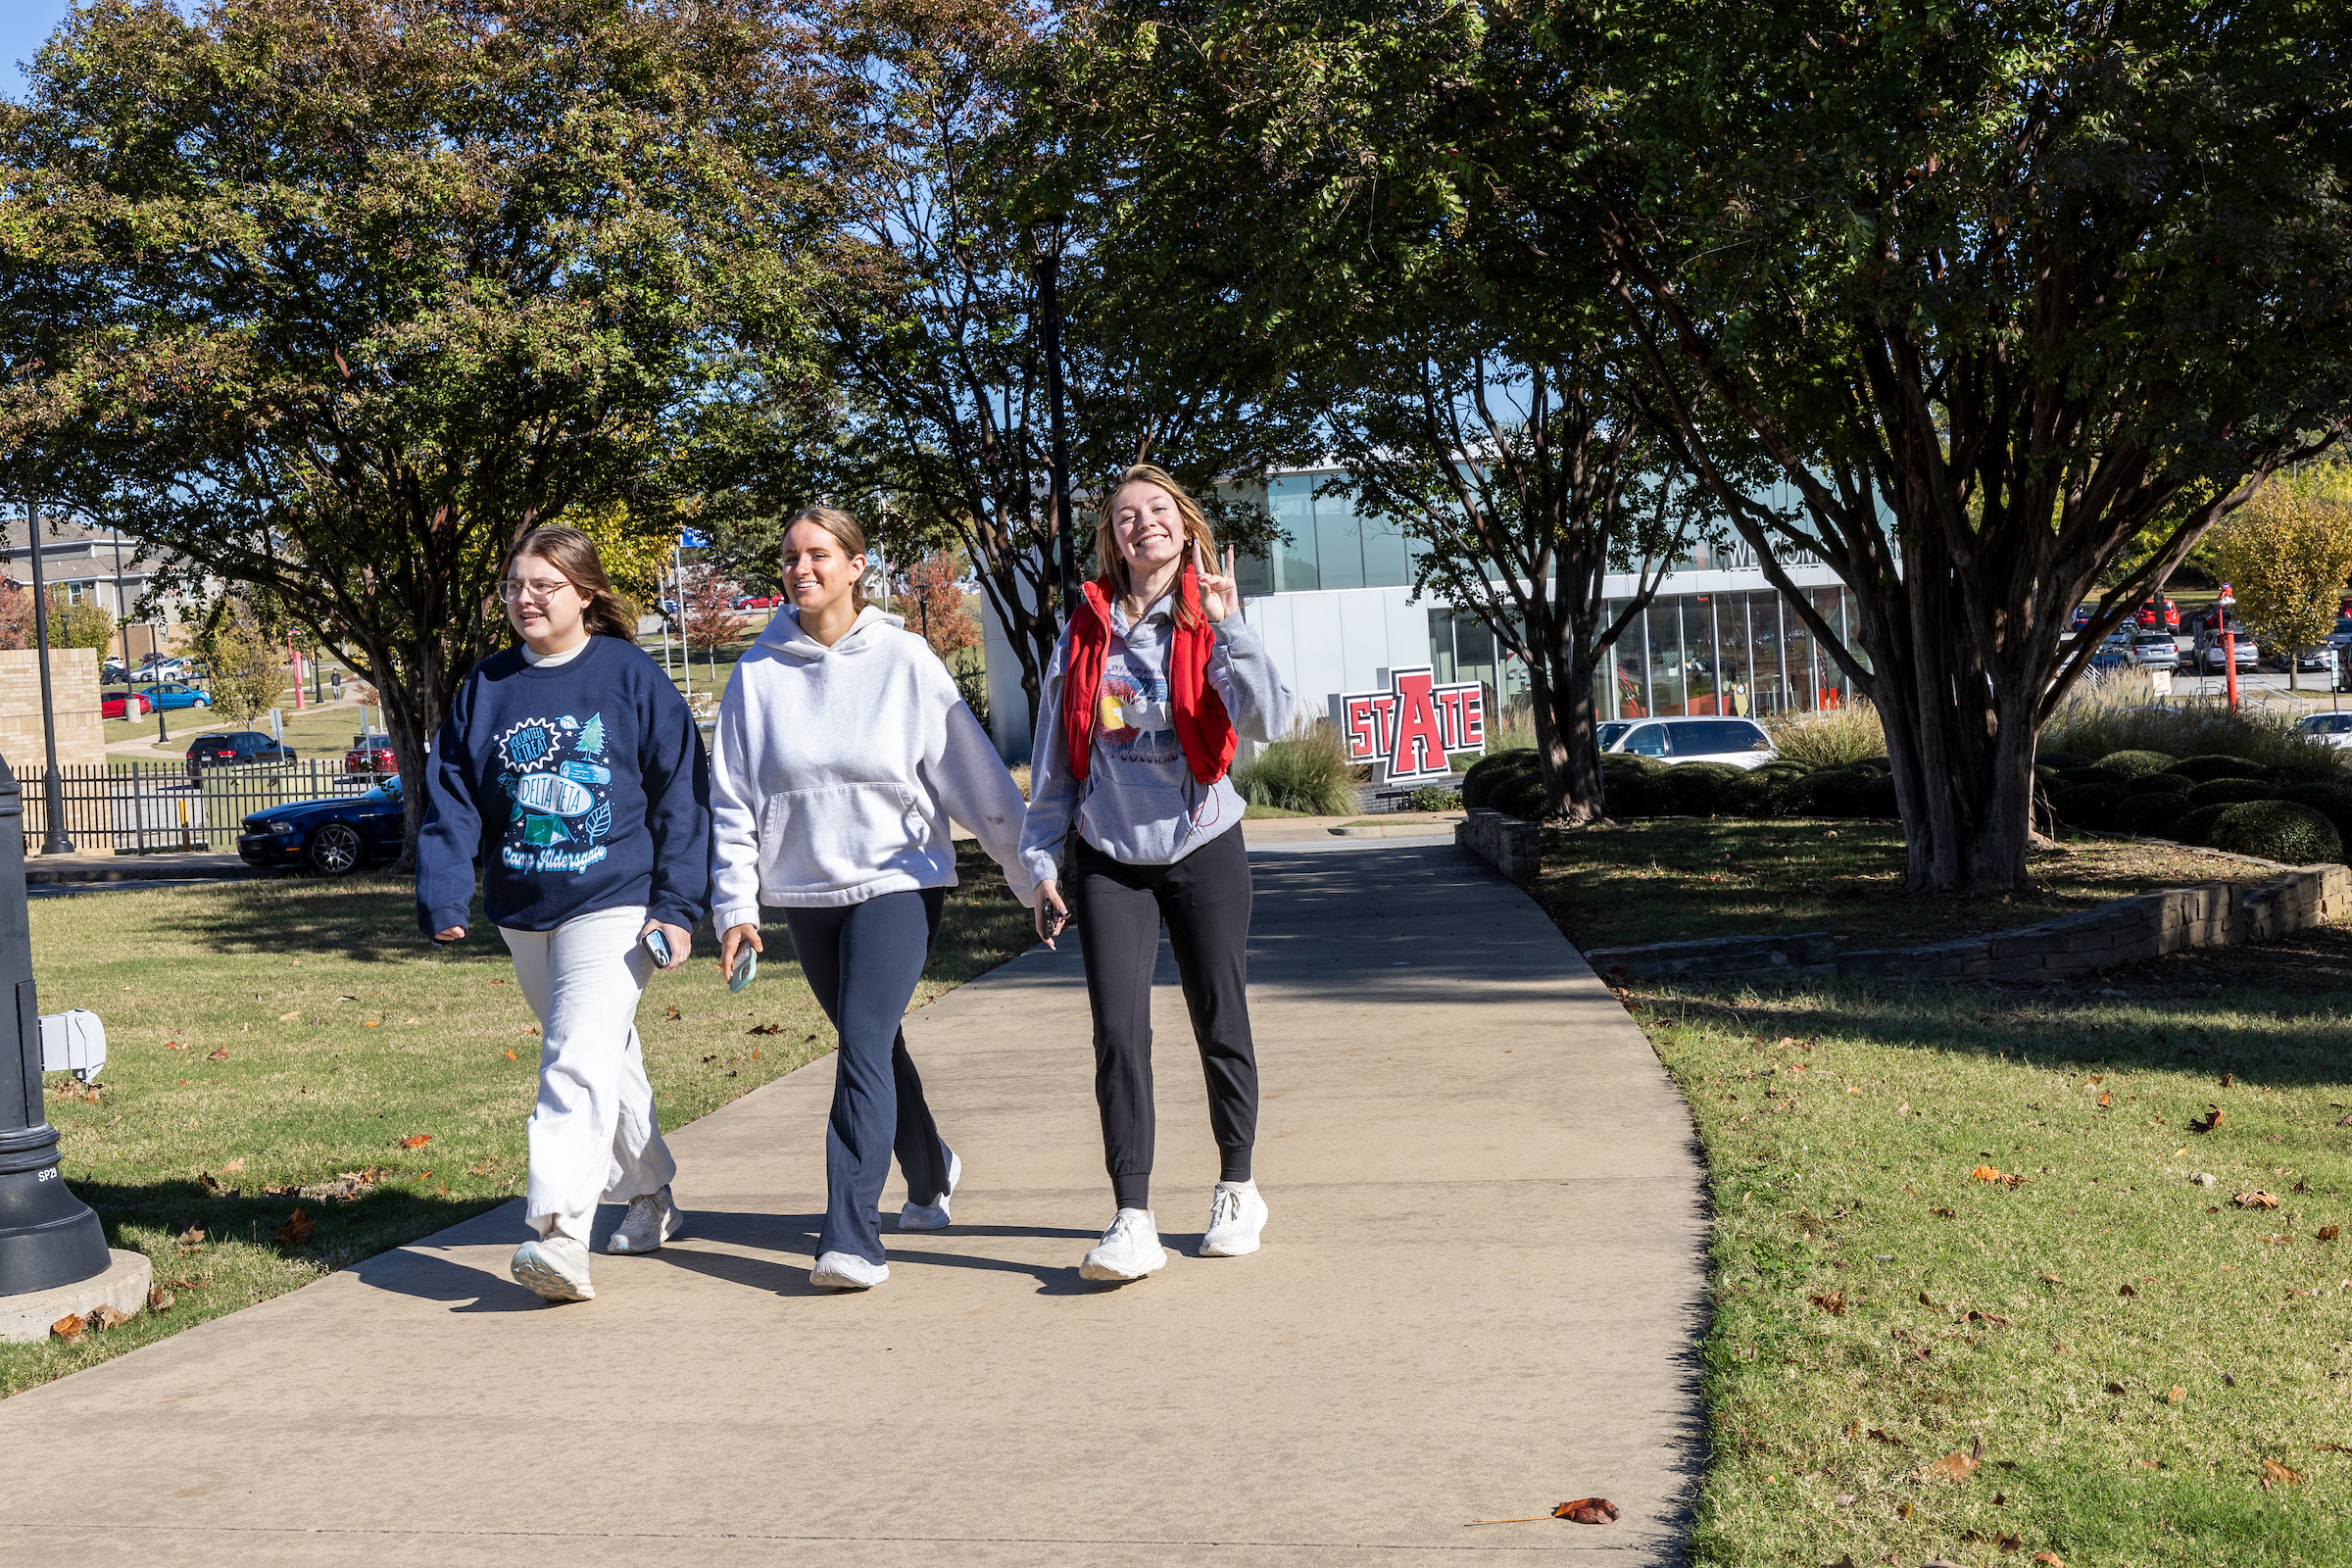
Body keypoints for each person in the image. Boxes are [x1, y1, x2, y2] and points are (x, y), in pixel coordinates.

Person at [710, 506, 1038, 1292]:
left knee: (860, 1041)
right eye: (789, 557)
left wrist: (1032, 875)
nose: (801, 569)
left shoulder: (906, 659)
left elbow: (978, 780)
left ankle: (851, 1236)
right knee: (876, 1043)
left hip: (897, 878)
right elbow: (730, 802)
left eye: (819, 554)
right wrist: (737, 908)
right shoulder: (756, 675)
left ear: (856, 565)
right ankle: (930, 1169)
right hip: (807, 888)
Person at [417, 525, 710, 1303]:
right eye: (515, 585)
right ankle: (650, 1195)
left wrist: (680, 905)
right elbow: (453, 796)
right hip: (524, 909)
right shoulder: (488, 686)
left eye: (544, 585)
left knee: (572, 1059)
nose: (525, 599)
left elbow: (681, 793)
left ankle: (558, 1234)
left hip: (614, 902)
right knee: (605, 1060)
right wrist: (447, 891)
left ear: (586, 592)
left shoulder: (628, 675)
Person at [1020, 464, 1295, 1283]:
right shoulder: (1084, 631)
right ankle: (1132, 1216)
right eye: (1125, 514)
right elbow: (1052, 762)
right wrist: (1040, 862)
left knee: (1219, 1016)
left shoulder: (1205, 621)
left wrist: (1230, 624)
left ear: (1184, 525)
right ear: (1113, 536)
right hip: (1110, 855)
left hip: (1203, 843)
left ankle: (1238, 1187)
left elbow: (1275, 719)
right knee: (1117, 1032)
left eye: (1158, 509)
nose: (1143, 522)